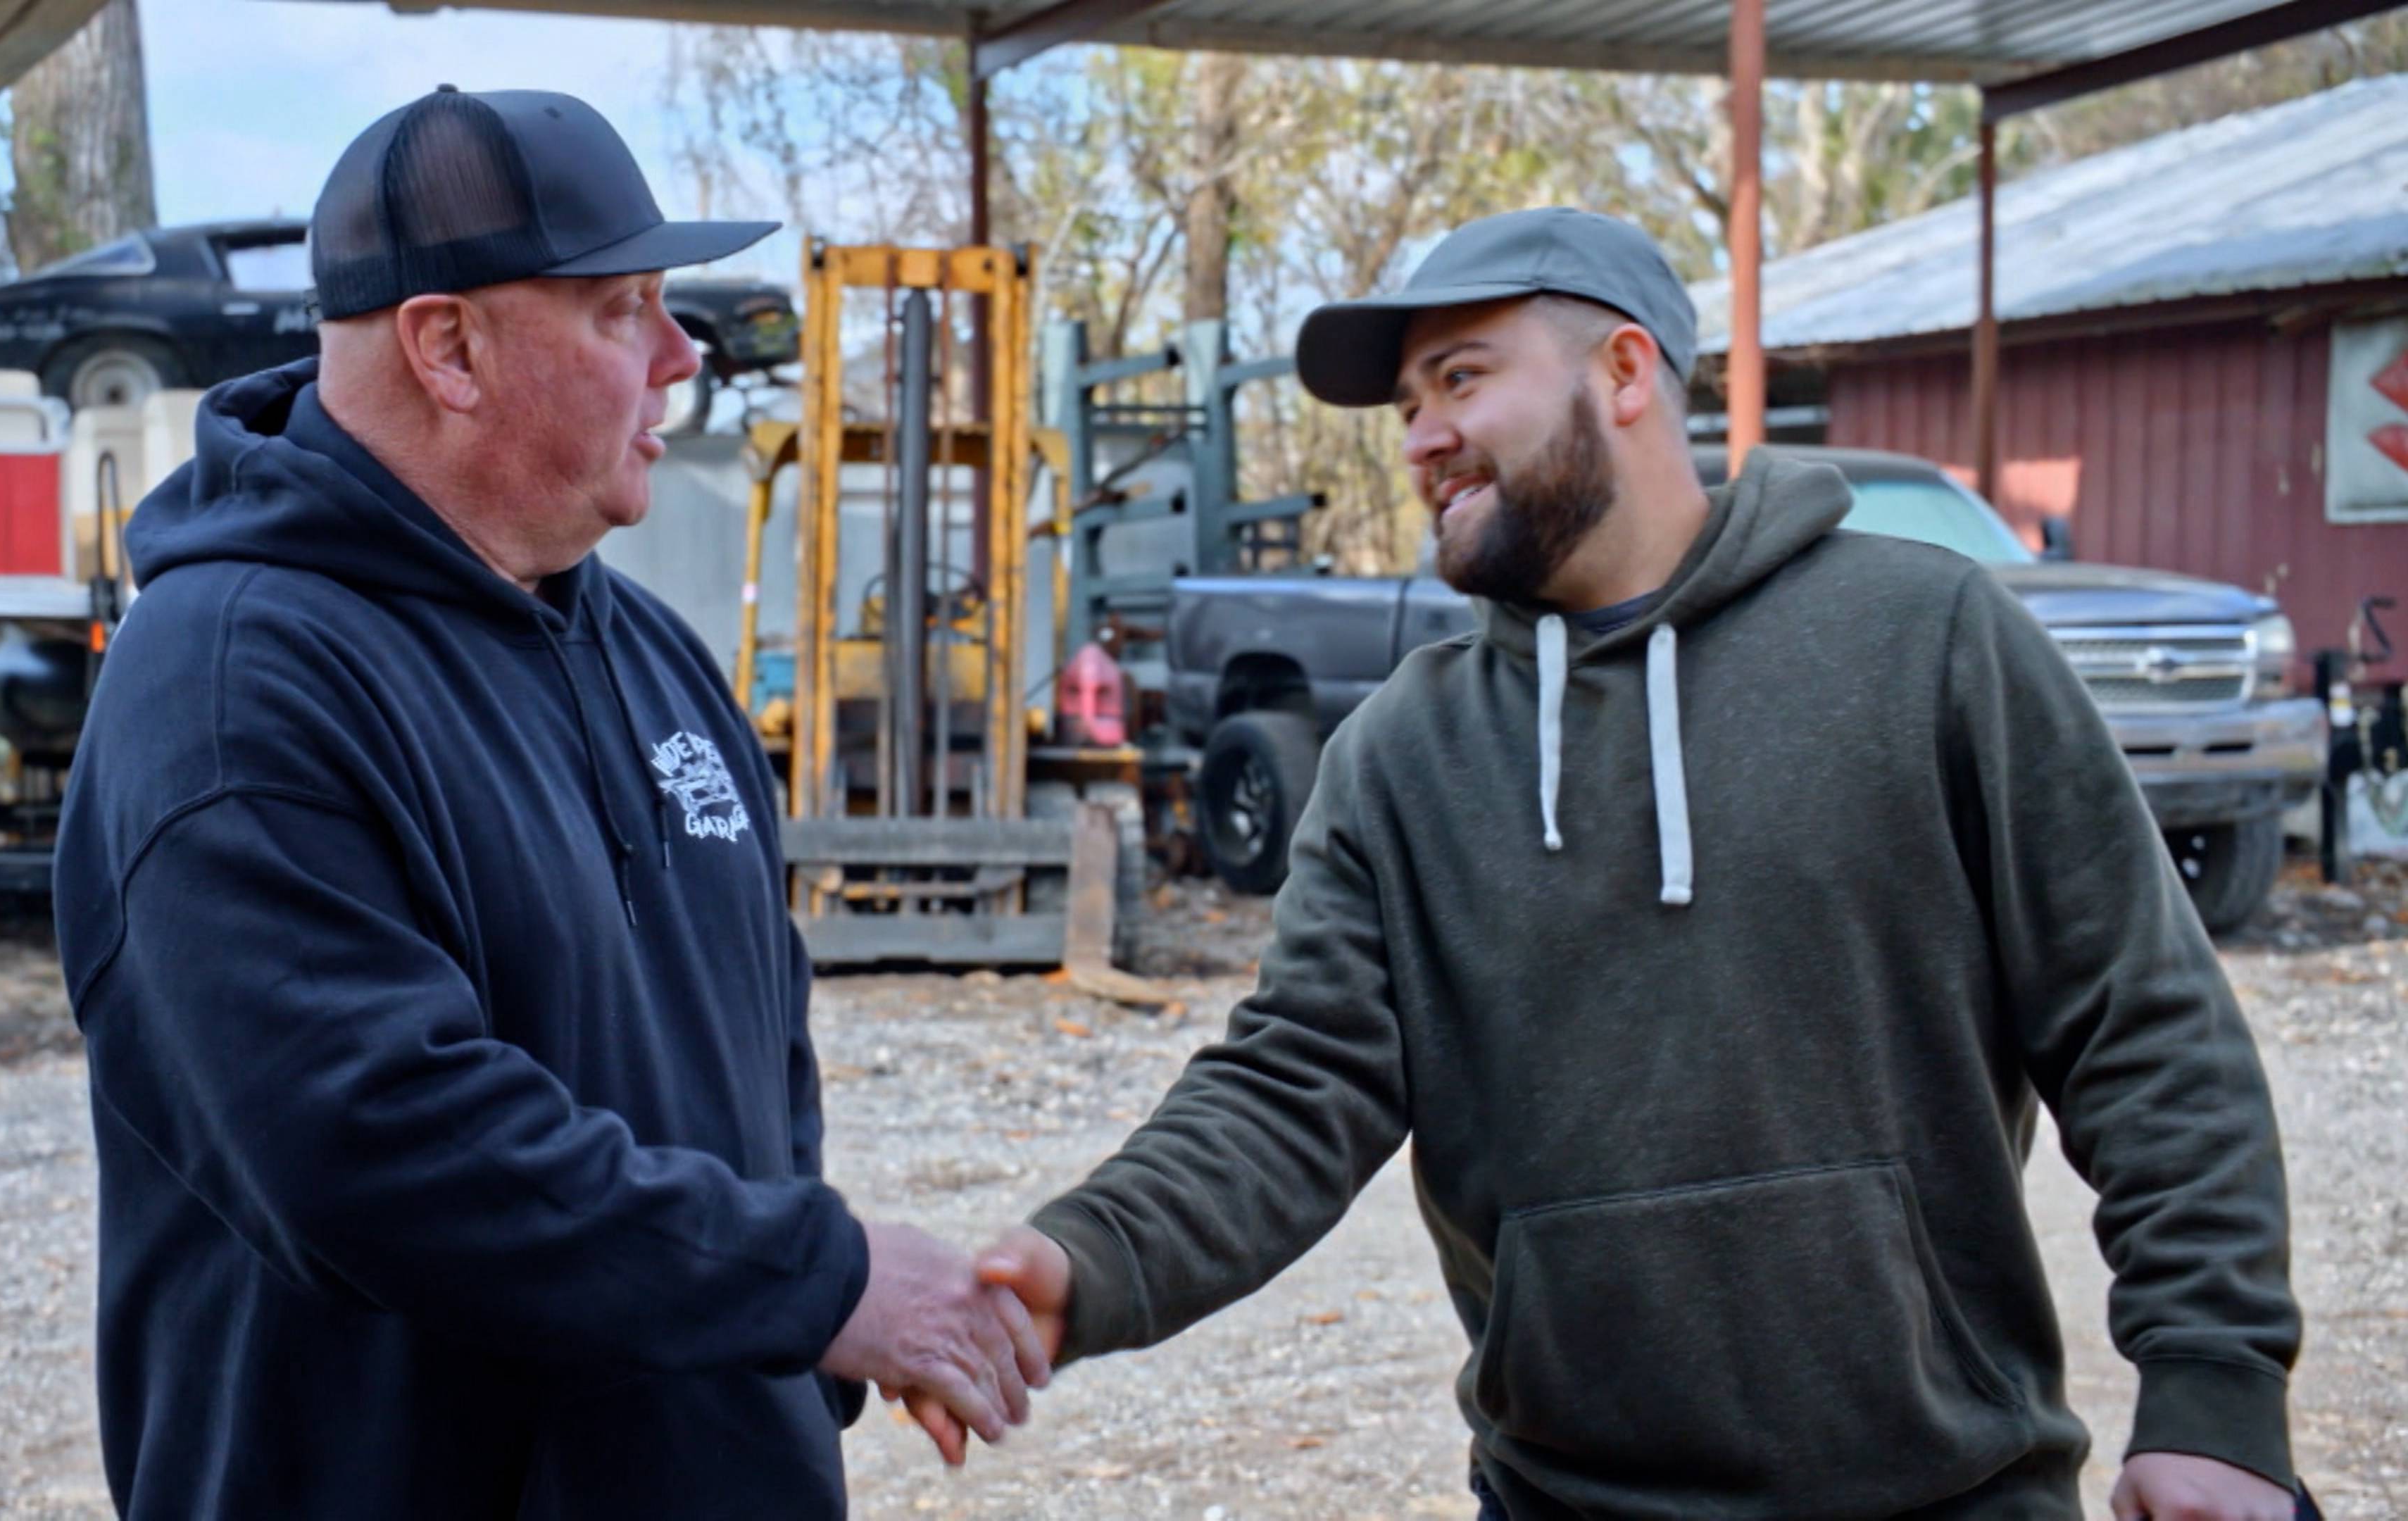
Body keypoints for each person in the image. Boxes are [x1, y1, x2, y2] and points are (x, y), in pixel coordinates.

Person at [952, 208, 2304, 1520]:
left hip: (1945, 1493)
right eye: (1408, 403)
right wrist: (1092, 1253)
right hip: (1564, 1500)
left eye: (1461, 379)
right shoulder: (1399, 756)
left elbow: (2142, 1026)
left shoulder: (1927, 642)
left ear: (1624, 370)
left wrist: (2215, 1393)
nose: (1420, 438)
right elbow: (1296, 1086)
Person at [52, 87, 1043, 1519]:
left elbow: (757, 1070)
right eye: (621, 309)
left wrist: (794, 1351)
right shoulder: (231, 687)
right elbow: (374, 1145)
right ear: (446, 345)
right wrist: (818, 1282)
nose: (681, 357)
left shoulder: (646, 653)